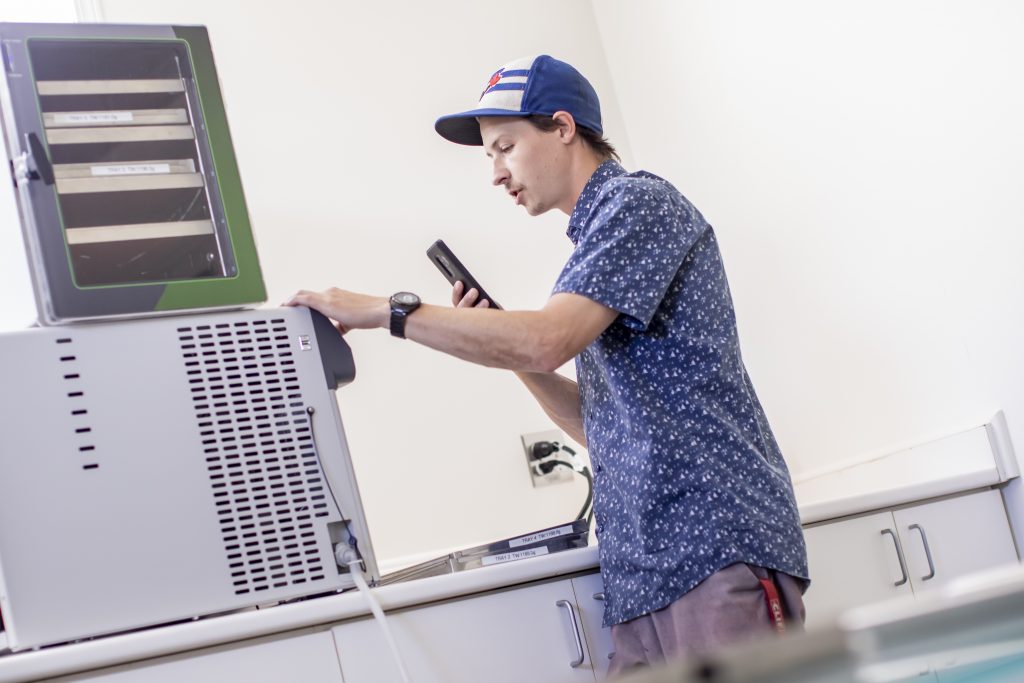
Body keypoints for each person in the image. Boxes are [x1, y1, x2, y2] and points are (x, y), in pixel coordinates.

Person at [289, 54, 809, 674]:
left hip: (711, 549)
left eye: (505, 147)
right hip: (644, 573)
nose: (496, 172)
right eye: (489, 156)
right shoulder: (592, 246)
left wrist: (389, 310)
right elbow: (602, 428)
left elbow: (545, 339)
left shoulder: (636, 206)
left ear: (563, 128)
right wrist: (512, 354)